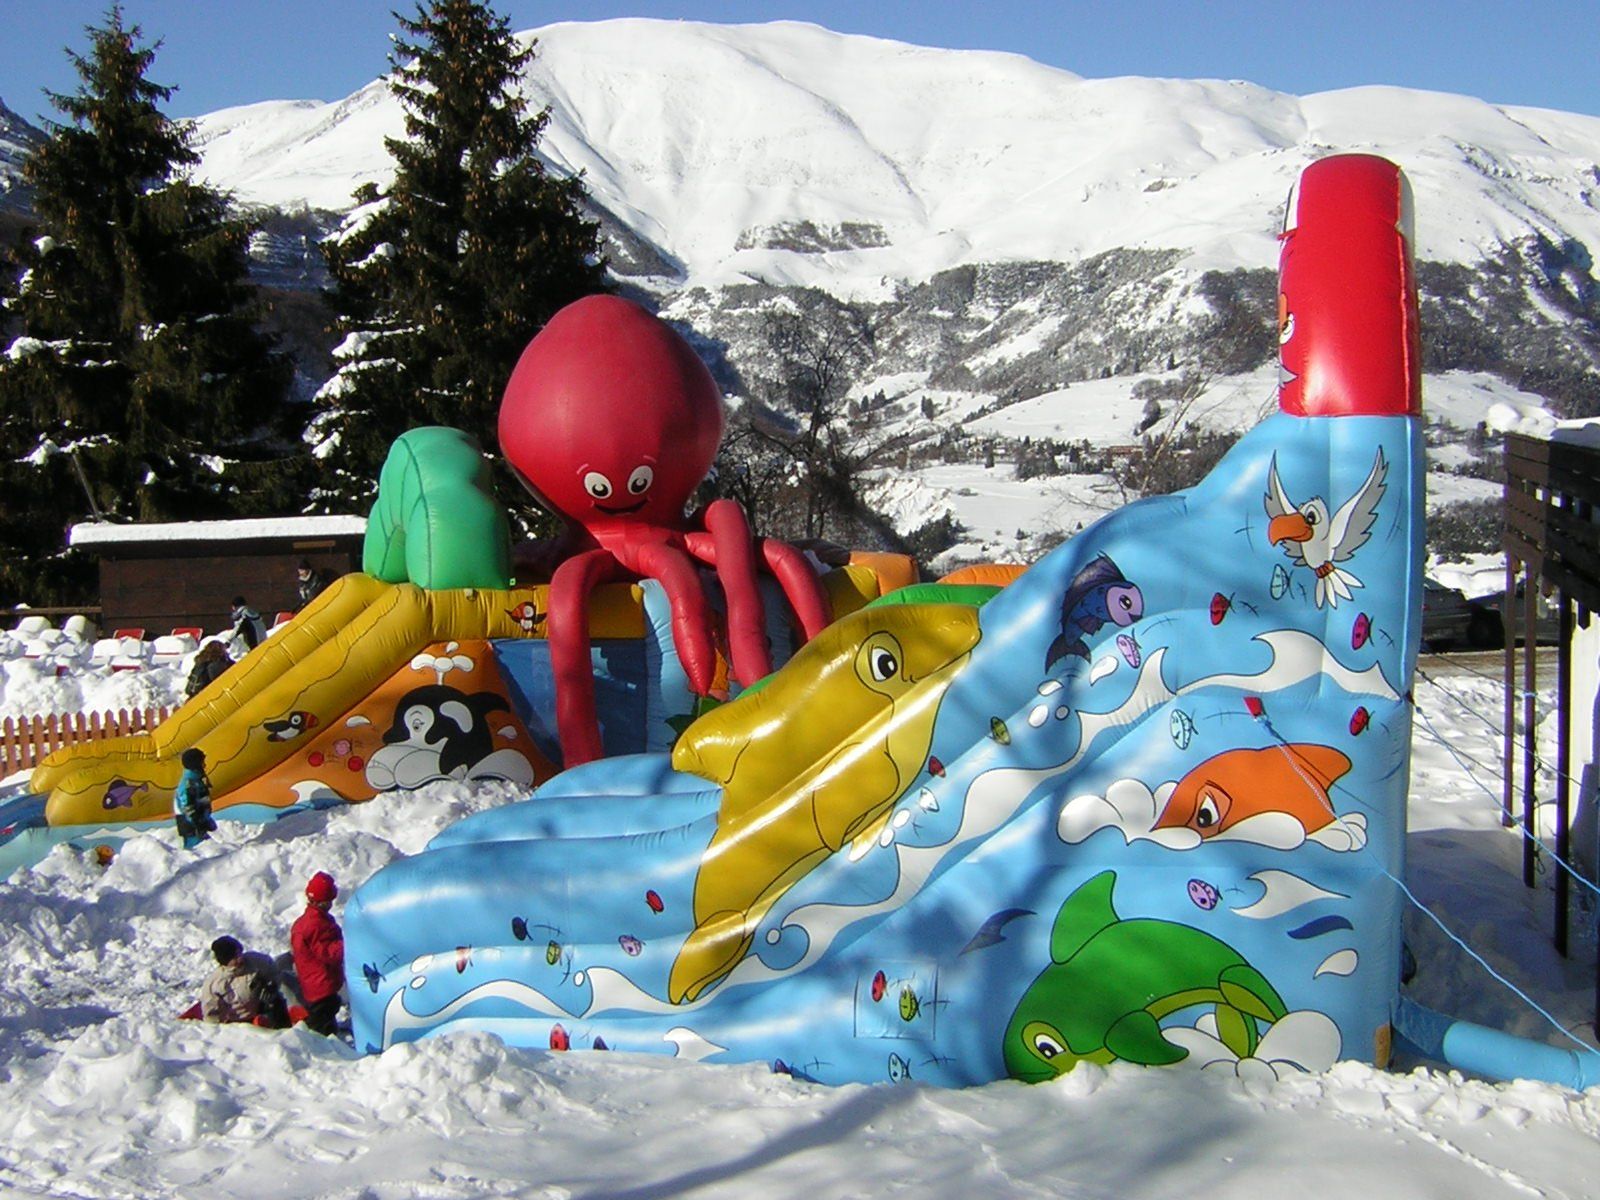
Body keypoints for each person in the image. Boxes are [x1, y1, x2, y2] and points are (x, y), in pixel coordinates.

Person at [291, 871, 346, 1036]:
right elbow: (328, 953)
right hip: (322, 983)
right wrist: (349, 943)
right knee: (322, 1022)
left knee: (324, 1014)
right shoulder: (317, 925)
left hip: (312, 981)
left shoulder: (305, 922)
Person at [200, 935, 290, 1027]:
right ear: (225, 961)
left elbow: (275, 972)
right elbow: (211, 1016)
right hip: (239, 1024)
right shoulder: (215, 983)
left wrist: (272, 985)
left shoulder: (256, 961)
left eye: (240, 953)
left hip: (265, 1010)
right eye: (235, 957)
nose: (240, 958)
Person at [173, 747, 216, 850]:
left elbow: (202, 802)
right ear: (195, 765)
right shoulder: (188, 783)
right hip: (192, 829)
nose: (204, 765)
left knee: (210, 850)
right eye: (202, 762)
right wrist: (198, 824)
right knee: (197, 854)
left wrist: (207, 819)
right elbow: (187, 807)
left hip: (199, 826)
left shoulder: (197, 781)